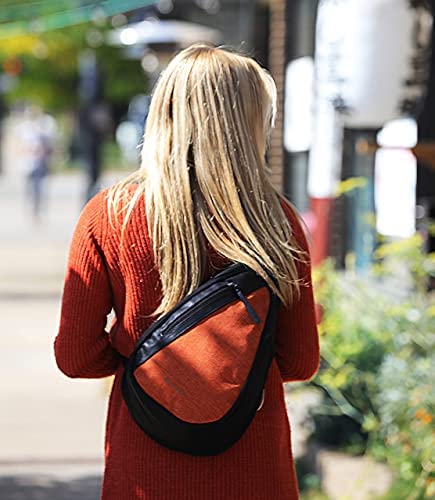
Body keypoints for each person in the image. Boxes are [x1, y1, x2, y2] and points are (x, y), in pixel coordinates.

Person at [54, 44, 320, 500]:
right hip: (254, 470)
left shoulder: (110, 216)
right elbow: (300, 361)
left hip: (145, 464)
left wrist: (152, 366)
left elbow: (75, 357)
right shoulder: (277, 221)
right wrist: (225, 373)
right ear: (249, 123)